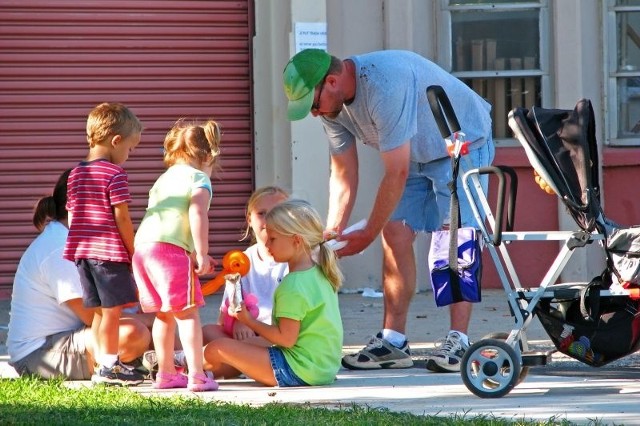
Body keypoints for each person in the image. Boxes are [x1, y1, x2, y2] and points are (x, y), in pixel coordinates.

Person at [282, 49, 495, 373]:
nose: (314, 114)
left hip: (462, 145)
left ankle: (459, 341)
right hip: (413, 155)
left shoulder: (383, 85)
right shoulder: (332, 110)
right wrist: (333, 232)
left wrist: (366, 233)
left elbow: (395, 173)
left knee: (454, 238)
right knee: (394, 232)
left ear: (332, 81)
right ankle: (393, 341)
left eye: (312, 104)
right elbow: (343, 174)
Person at [7, 170, 151, 381]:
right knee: (133, 333)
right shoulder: (58, 247)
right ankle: (131, 362)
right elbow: (93, 316)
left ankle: (153, 361)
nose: (117, 215)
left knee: (153, 330)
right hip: (38, 353)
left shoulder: (82, 242)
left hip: (75, 336)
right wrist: (150, 320)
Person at [202, 199, 344, 387]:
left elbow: (285, 339)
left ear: (296, 240)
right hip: (321, 368)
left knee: (218, 347)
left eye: (273, 239)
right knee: (247, 346)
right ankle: (201, 372)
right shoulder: (319, 273)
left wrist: (248, 321)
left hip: (296, 370)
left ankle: (179, 363)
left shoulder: (293, 285)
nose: (267, 244)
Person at [132, 118, 221, 392]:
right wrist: (203, 253)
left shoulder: (163, 179)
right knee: (188, 314)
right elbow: (196, 213)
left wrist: (191, 253)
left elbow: (169, 219)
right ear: (208, 155)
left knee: (164, 315)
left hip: (143, 249)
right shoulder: (199, 178)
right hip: (168, 252)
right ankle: (197, 375)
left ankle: (167, 373)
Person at [63, 102, 146, 385]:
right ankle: (111, 365)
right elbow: (121, 216)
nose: (129, 155)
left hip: (82, 254)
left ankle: (102, 363)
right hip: (108, 253)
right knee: (112, 312)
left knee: (98, 312)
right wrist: (133, 249)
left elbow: (73, 215)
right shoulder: (114, 174)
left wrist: (77, 249)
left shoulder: (75, 173)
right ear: (116, 140)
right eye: (130, 149)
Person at [200, 185, 289, 379]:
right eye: (262, 213)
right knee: (208, 332)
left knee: (224, 349)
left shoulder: (294, 260)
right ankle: (197, 366)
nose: (268, 220)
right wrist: (239, 322)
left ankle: (185, 364)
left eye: (276, 213)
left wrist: (254, 327)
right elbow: (225, 317)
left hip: (278, 338)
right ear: (249, 218)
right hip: (246, 337)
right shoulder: (241, 261)